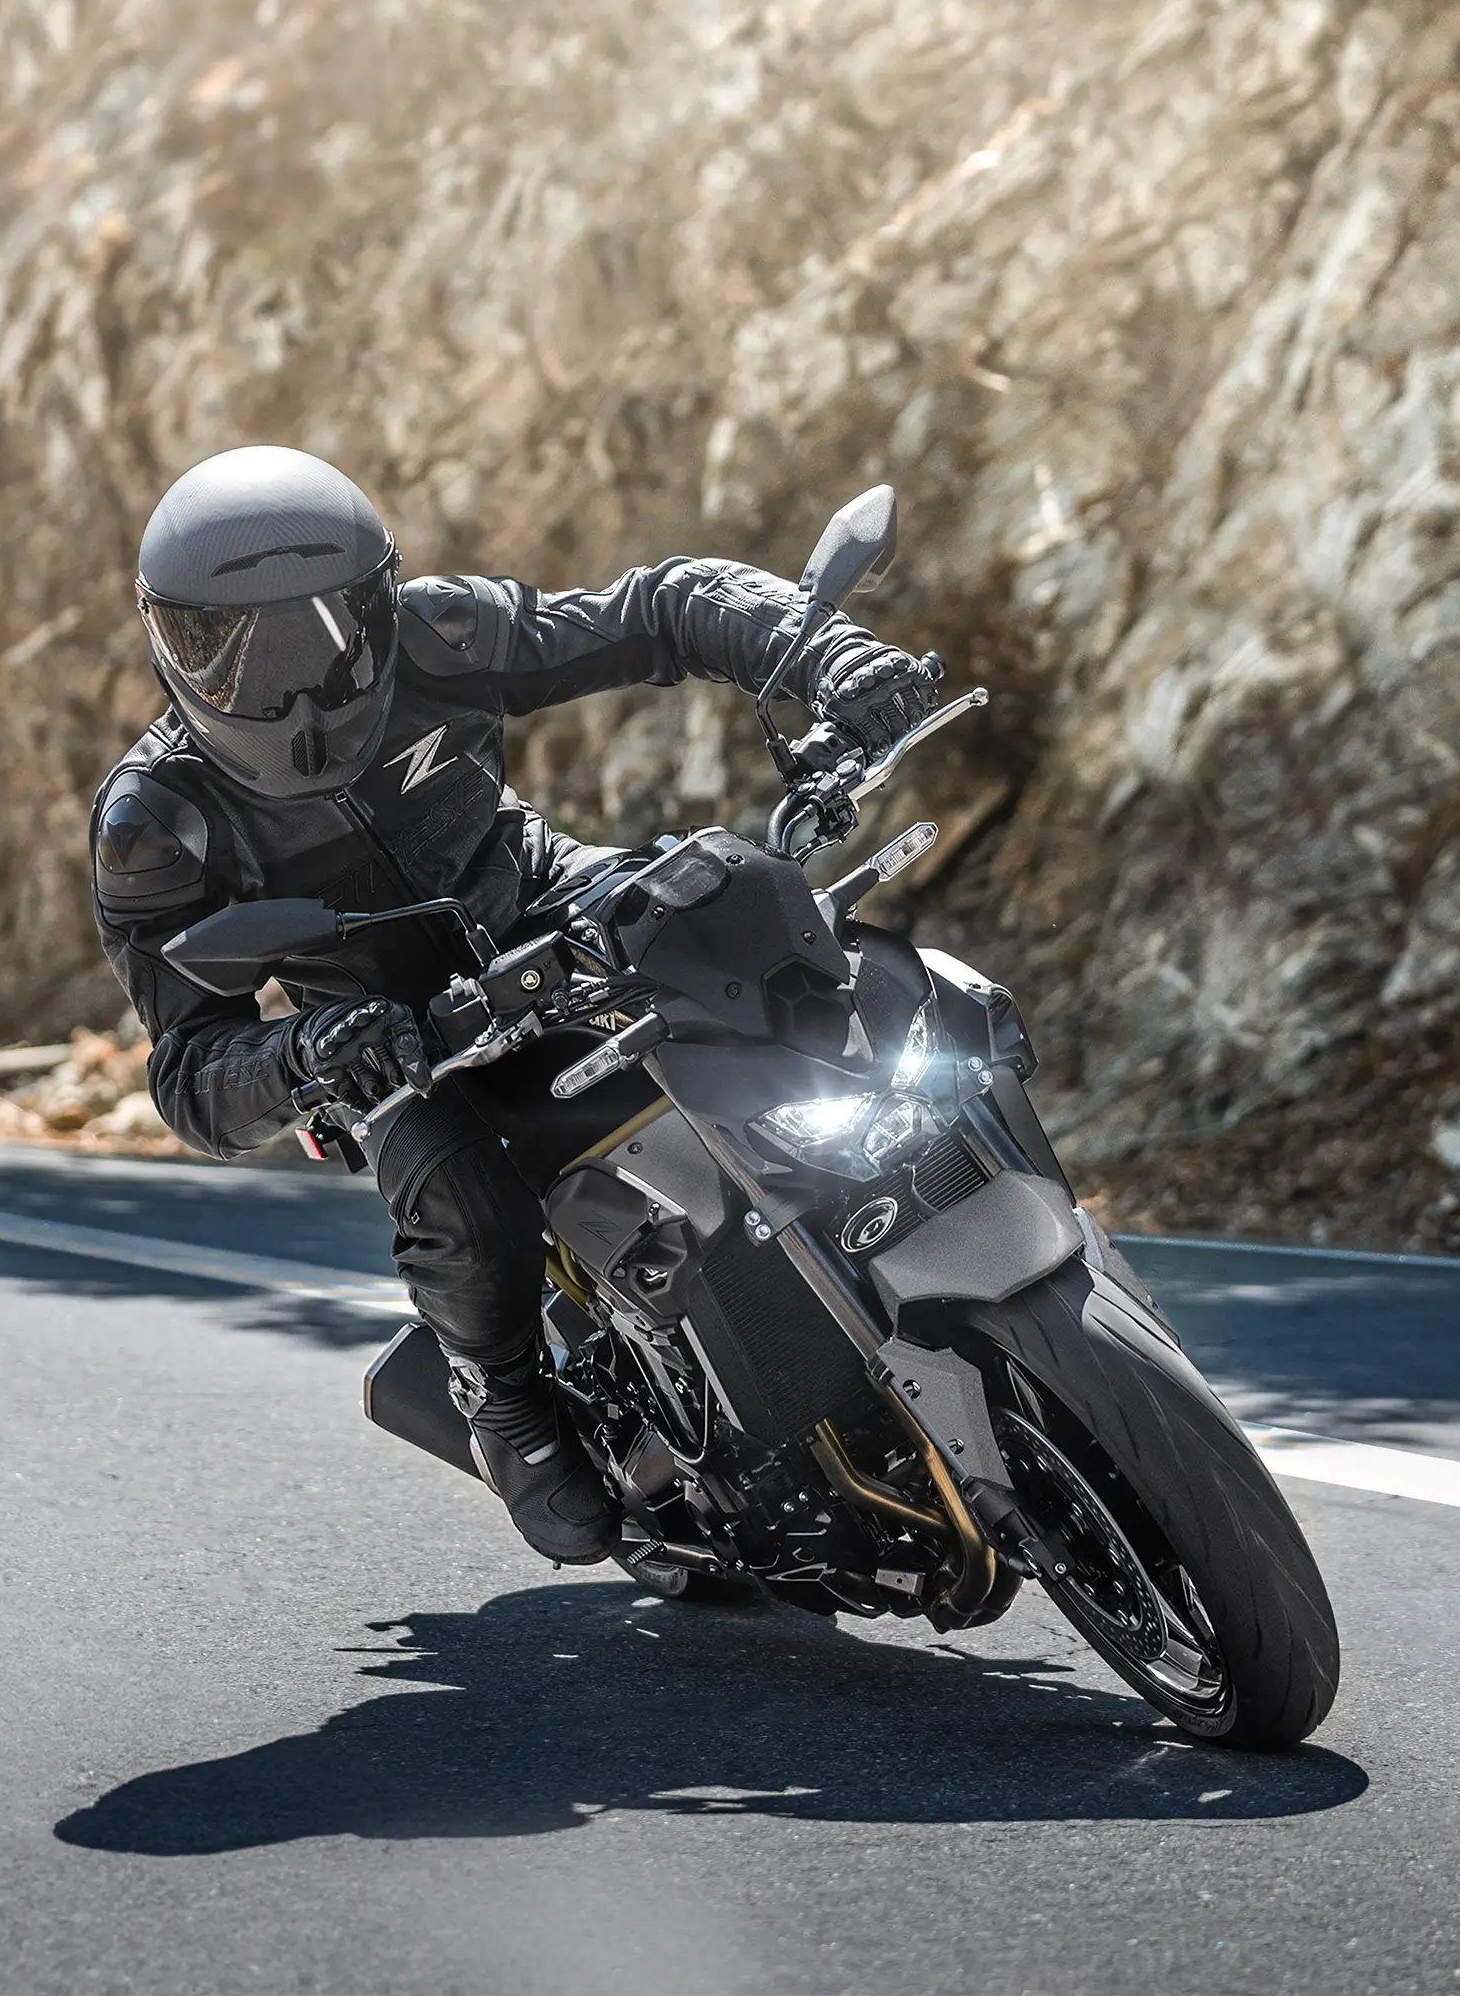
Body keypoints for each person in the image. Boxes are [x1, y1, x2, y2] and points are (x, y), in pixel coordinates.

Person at [89, 446, 940, 1565]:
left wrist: (823, 652)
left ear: (379, 604)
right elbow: (192, 1068)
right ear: (169, 642)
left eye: (323, 633)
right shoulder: (156, 822)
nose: (287, 685)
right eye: (231, 650)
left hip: (544, 900)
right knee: (464, 1198)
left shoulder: (440, 637)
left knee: (756, 926)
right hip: (383, 1030)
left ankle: (918, 1206)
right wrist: (305, 1054)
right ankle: (506, 1406)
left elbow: (660, 609)